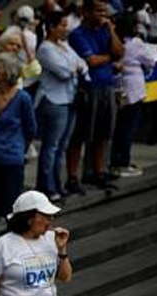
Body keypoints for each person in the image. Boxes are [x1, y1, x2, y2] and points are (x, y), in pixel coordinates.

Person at [0, 54, 37, 268]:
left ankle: (11, 252)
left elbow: (31, 128)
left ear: (7, 72)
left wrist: (19, 148)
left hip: (11, 159)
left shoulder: (22, 99)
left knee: (11, 208)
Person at [67, 0, 125, 191]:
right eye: (98, 11)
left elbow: (120, 52)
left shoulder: (105, 30)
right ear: (86, 12)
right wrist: (110, 58)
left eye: (104, 11)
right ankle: (73, 176)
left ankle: (98, 172)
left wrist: (111, 30)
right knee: (80, 134)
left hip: (107, 86)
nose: (103, 15)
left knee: (103, 133)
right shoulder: (77, 34)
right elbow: (91, 60)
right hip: (88, 88)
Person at [36, 11, 88, 202]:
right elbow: (64, 72)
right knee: (51, 146)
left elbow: (83, 63)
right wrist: (76, 68)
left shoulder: (64, 46)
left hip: (70, 98)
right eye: (62, 25)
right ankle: (45, 187)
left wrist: (77, 67)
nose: (66, 29)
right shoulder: (45, 49)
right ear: (51, 27)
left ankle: (57, 184)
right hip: (53, 100)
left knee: (61, 146)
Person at [111, 13, 157, 176]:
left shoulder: (113, 41)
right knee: (129, 127)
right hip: (134, 88)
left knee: (119, 127)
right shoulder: (136, 43)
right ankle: (123, 162)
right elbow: (150, 61)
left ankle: (115, 161)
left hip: (119, 87)